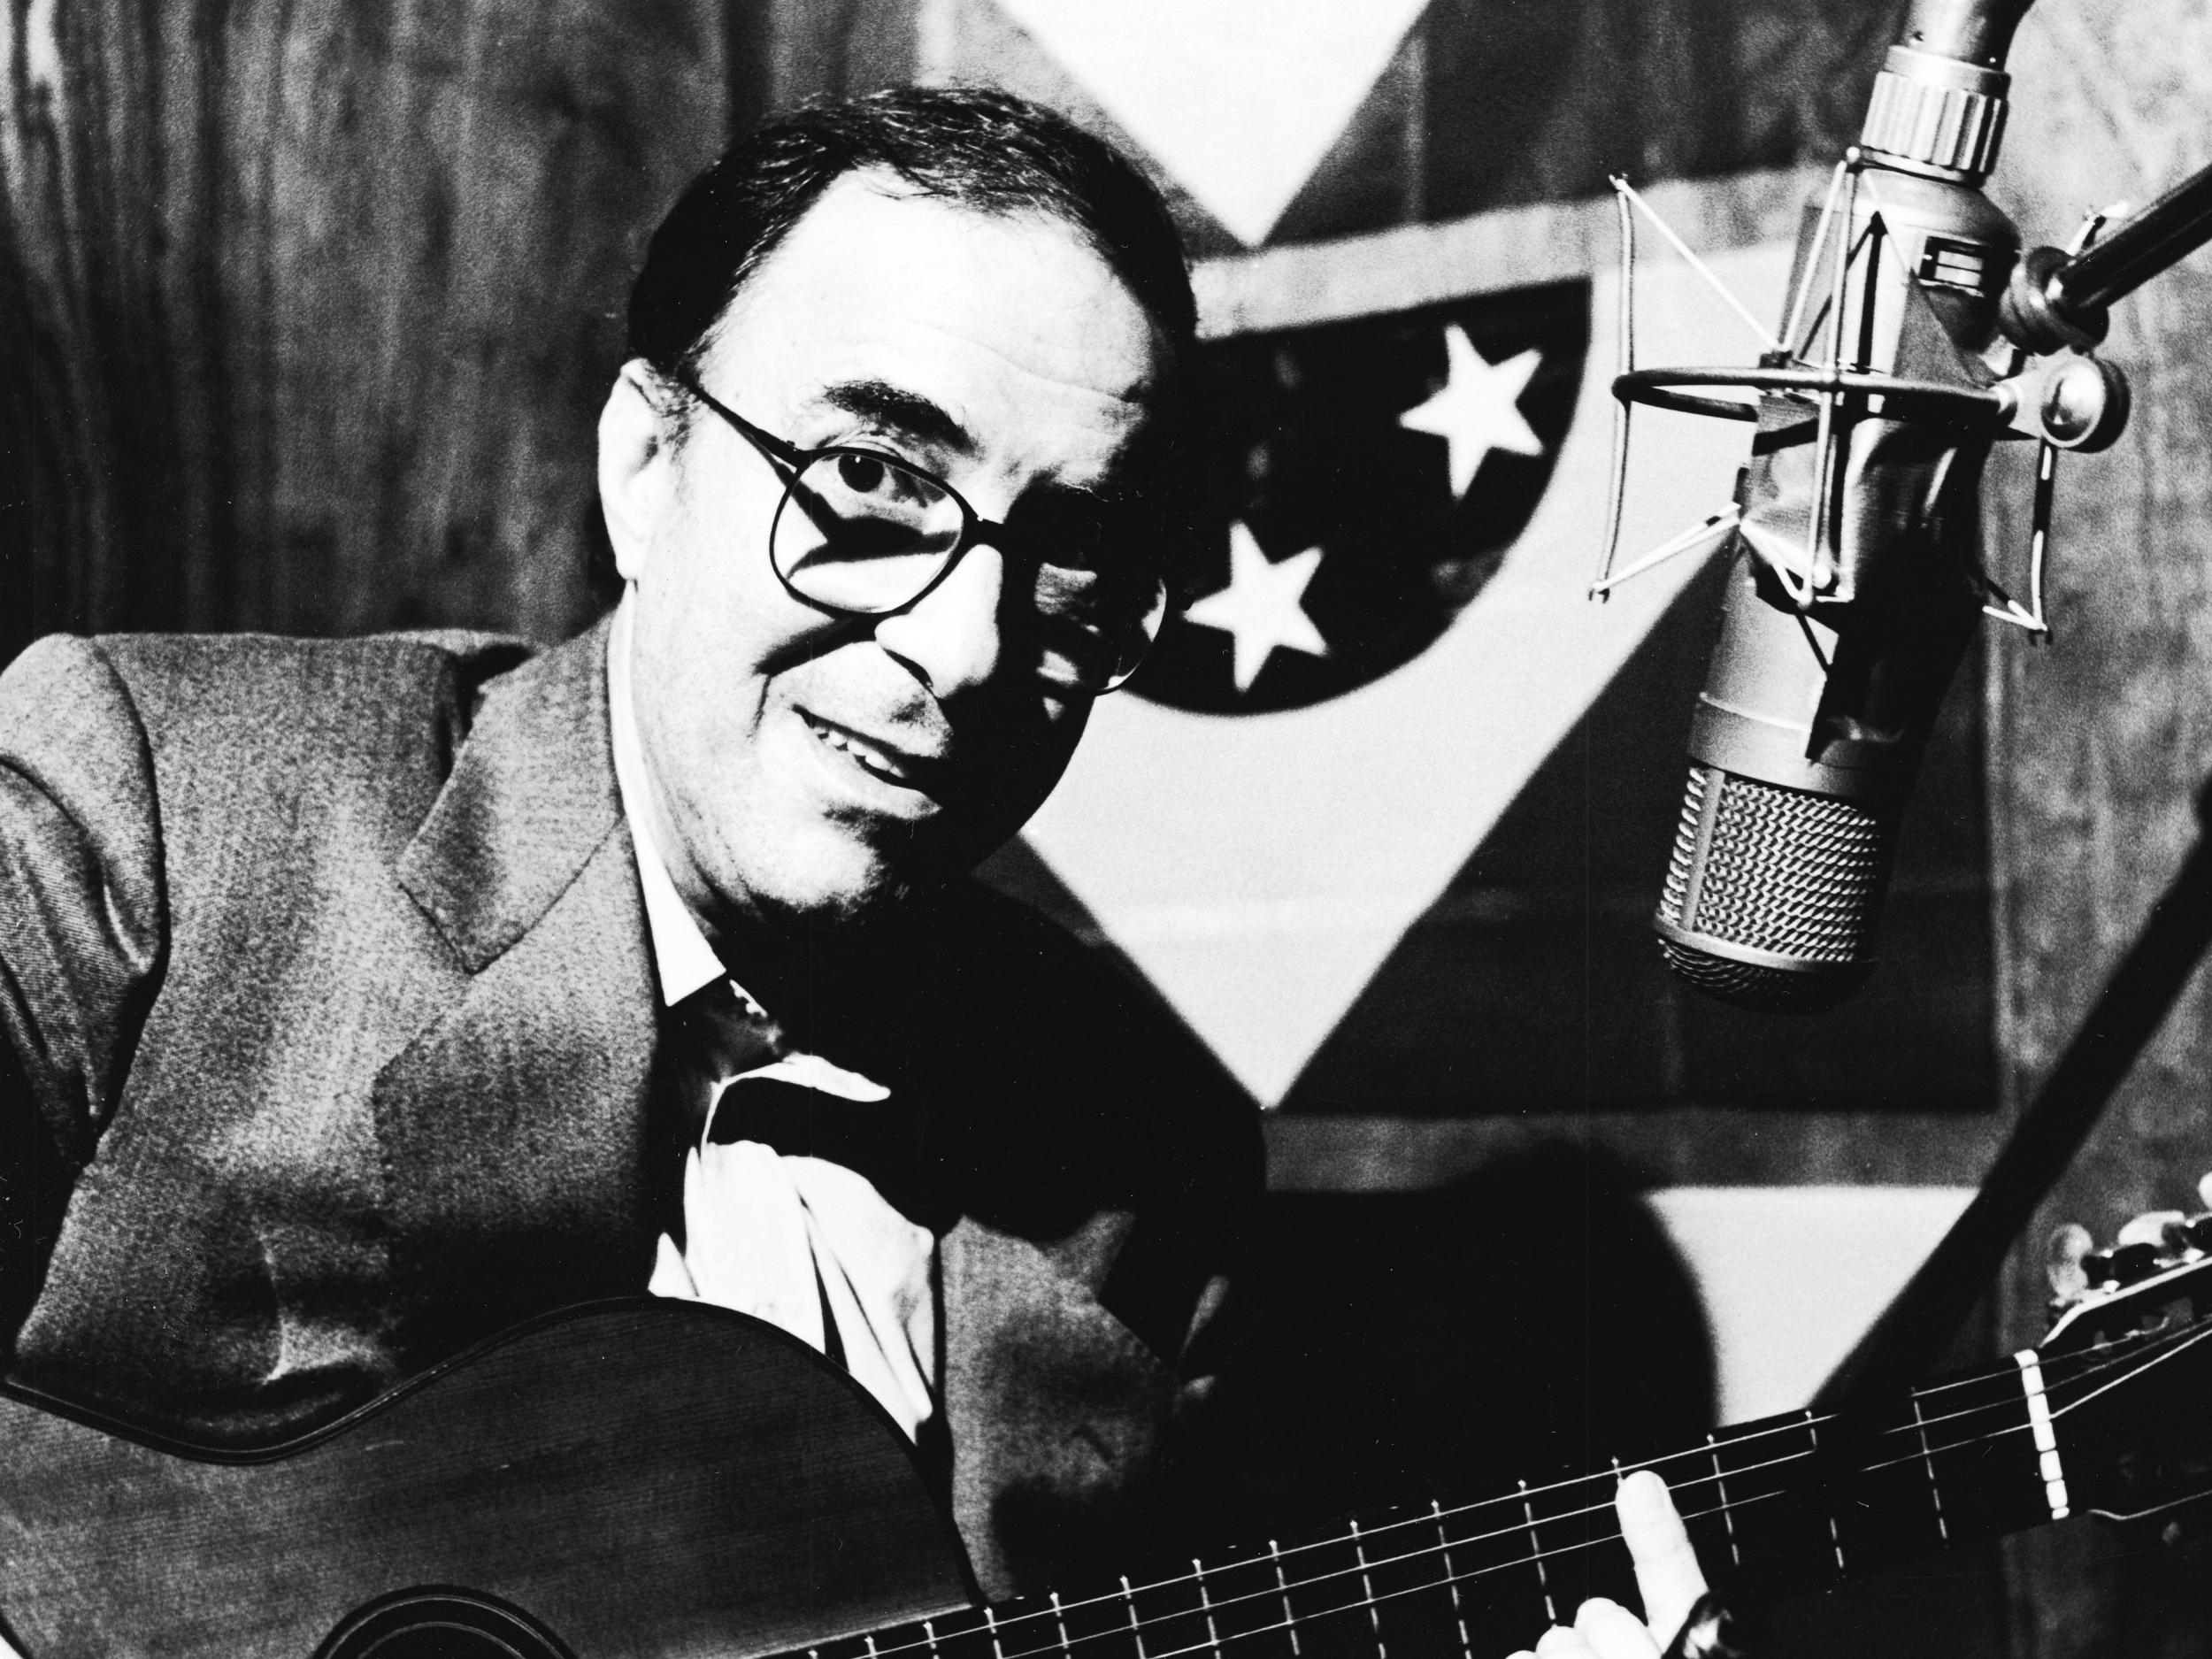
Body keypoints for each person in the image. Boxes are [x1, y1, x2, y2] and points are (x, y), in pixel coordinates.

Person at [0, 83, 1711, 1654]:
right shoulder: (153, 807)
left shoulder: (1134, 1161)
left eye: (1075, 556)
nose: (966, 648)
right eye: (873, 480)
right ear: (645, 466)